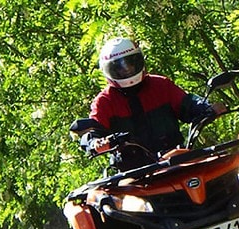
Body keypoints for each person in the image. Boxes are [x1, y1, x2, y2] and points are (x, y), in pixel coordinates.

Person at [86, 37, 226, 170]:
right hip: (134, 172)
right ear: (108, 70)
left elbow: (187, 104)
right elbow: (91, 132)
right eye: (119, 68)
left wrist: (207, 107)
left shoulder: (160, 85)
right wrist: (95, 143)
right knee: (122, 196)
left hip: (176, 159)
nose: (127, 70)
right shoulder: (104, 101)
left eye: (130, 63)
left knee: (223, 171)